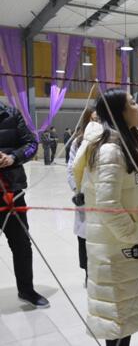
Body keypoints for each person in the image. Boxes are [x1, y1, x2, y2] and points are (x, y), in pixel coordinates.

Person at [72, 89, 138, 346]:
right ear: (120, 111)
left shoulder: (123, 144)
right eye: (132, 103)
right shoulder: (110, 150)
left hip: (124, 247)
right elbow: (108, 204)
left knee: (122, 316)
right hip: (117, 248)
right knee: (116, 317)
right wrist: (133, 233)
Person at [0, 101, 49, 308]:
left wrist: (13, 157)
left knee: (21, 244)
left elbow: (31, 144)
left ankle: (26, 289)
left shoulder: (11, 113)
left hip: (12, 191)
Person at [67, 108, 98, 286]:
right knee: (85, 236)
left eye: (99, 120)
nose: (96, 124)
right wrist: (76, 191)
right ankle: (88, 273)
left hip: (104, 200)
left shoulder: (110, 140)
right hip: (84, 198)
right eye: (93, 120)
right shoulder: (78, 142)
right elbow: (71, 168)